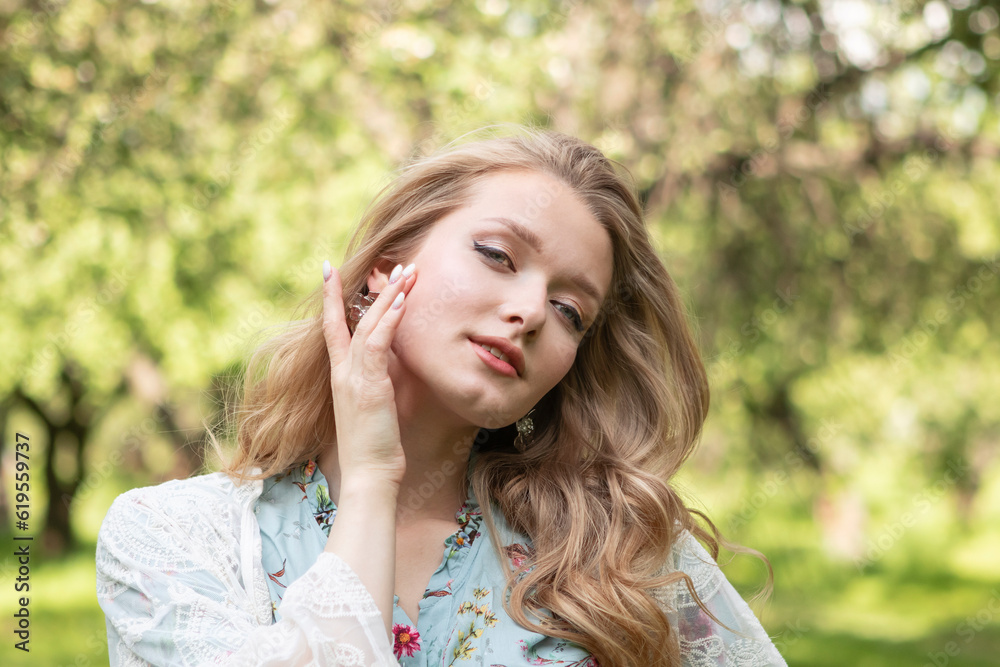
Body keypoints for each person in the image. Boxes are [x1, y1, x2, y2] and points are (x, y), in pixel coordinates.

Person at [95, 126, 788, 666]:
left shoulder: (613, 550)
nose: (530, 311)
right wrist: (372, 480)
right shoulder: (169, 538)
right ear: (387, 265)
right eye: (497, 254)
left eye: (571, 309)